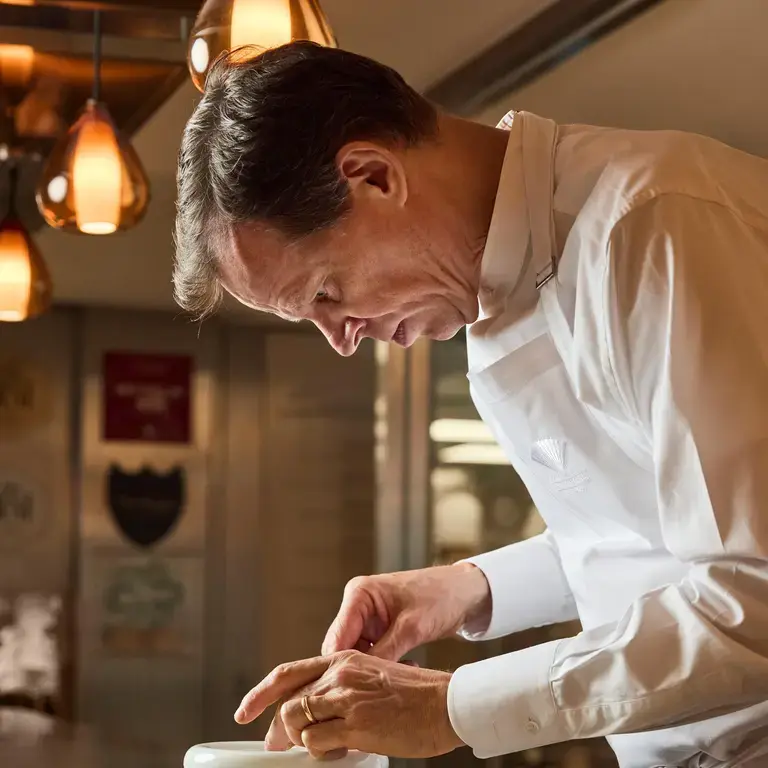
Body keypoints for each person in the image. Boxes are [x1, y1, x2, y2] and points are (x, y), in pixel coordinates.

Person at [173, 42, 768, 768]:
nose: (342, 340)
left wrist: (450, 707)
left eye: (327, 293)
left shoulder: (649, 223)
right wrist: (464, 588)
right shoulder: (488, 289)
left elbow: (755, 594)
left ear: (373, 176)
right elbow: (651, 530)